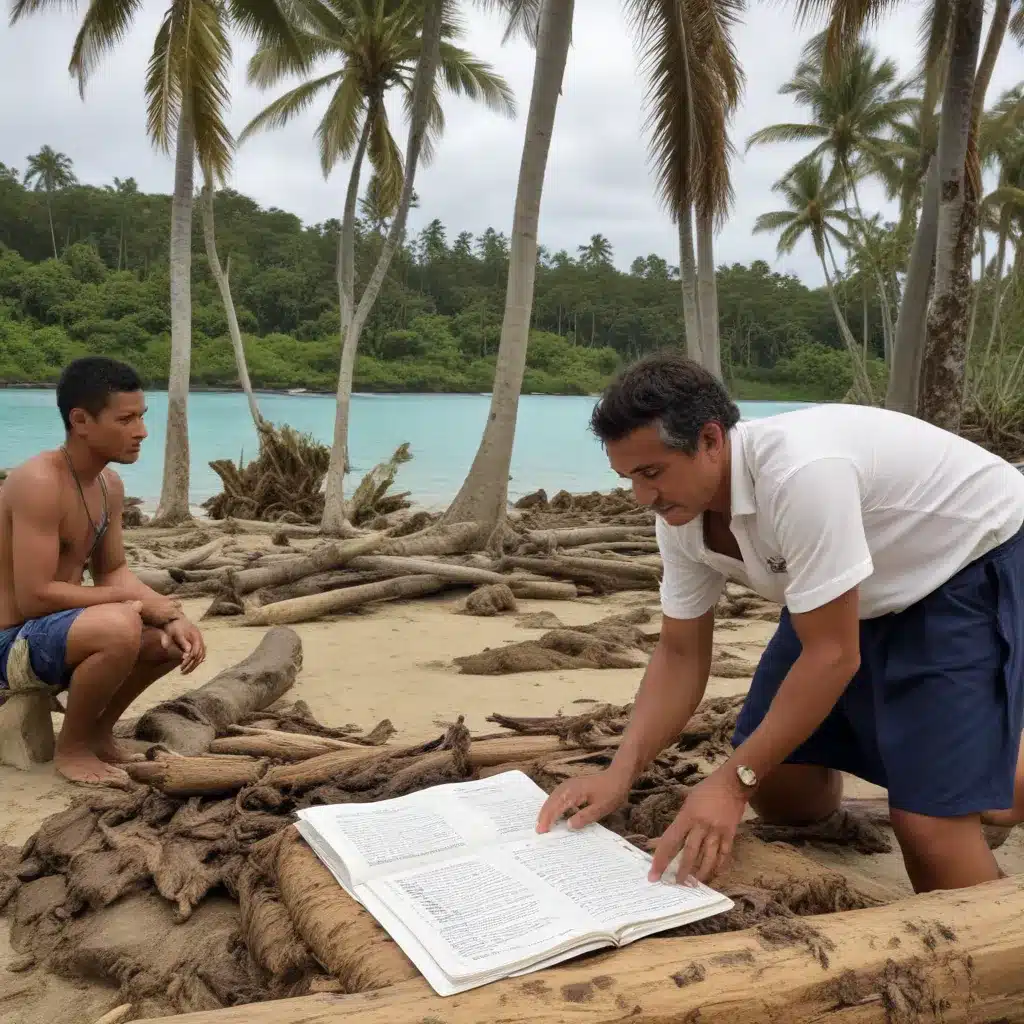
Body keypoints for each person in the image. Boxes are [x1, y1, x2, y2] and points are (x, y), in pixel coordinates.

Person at [536, 351, 1024, 894]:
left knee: (932, 840)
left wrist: (728, 784)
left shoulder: (799, 476)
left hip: (961, 564)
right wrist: (619, 773)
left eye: (652, 473)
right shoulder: (679, 513)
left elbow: (833, 655)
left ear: (711, 440)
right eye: (628, 477)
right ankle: (963, 776)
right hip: (853, 588)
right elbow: (679, 654)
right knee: (780, 783)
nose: (642, 497)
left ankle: (979, 795)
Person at [0, 356, 206, 785]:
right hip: (9, 643)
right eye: (126, 419)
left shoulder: (109, 485)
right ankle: (70, 750)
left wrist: (168, 612)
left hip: (59, 633)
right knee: (120, 624)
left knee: (169, 641)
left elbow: (113, 571)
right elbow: (33, 596)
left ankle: (95, 733)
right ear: (81, 420)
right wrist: (134, 605)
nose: (141, 431)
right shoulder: (39, 482)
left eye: (142, 417)